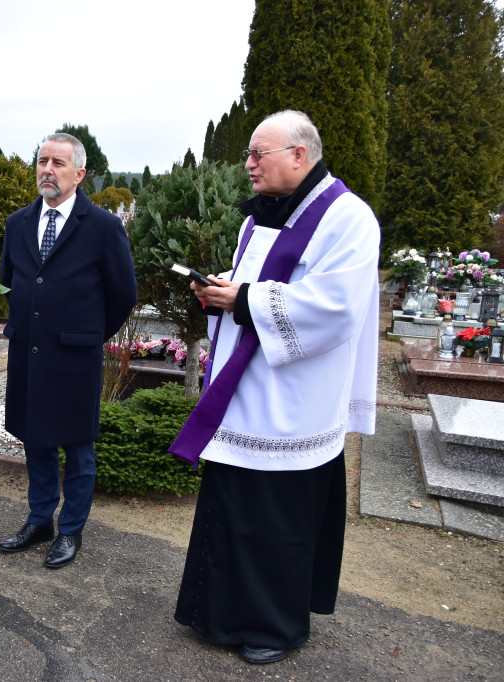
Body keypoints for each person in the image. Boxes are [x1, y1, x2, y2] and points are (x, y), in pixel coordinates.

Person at [170, 110, 380, 664]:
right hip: (246, 390)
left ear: (299, 156)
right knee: (233, 503)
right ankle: (215, 612)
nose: (248, 164)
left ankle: (275, 626)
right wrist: (220, 293)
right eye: (249, 155)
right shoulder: (257, 219)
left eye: (259, 154)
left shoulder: (348, 219)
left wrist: (241, 300)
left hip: (295, 399)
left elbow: (335, 309)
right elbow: (252, 288)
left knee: (276, 520)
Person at [0, 133, 138, 568]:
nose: (47, 170)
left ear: (79, 173)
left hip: (74, 356)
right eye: (42, 161)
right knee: (35, 440)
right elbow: (10, 282)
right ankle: (40, 519)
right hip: (27, 352)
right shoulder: (18, 223)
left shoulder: (103, 227)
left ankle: (71, 530)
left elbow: (123, 294)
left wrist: (88, 335)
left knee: (77, 448)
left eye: (58, 163)